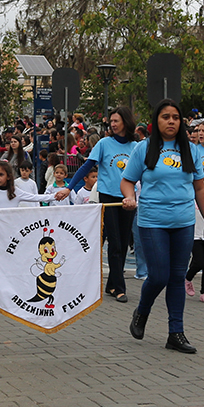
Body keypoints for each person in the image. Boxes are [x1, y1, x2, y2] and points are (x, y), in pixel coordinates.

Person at [120, 99, 204, 354]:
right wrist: (129, 196)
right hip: (152, 222)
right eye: (165, 117)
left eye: (175, 117)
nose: (171, 121)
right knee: (159, 275)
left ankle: (176, 333)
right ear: (156, 120)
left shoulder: (191, 150)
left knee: (176, 277)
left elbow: (199, 188)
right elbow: (127, 180)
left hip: (183, 222)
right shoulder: (144, 148)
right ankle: (142, 311)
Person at [68, 107, 138, 303]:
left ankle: (111, 284)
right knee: (114, 242)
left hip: (128, 198)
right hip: (108, 197)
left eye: (117, 121)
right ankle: (120, 288)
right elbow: (86, 166)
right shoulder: (104, 143)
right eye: (111, 122)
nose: (113, 125)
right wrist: (69, 187)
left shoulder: (135, 146)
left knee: (123, 243)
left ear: (126, 121)